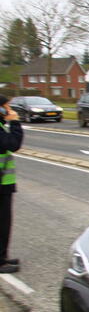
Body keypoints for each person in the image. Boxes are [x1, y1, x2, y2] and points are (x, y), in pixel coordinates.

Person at [0, 95, 23, 273]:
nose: (10, 110)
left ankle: (3, 257)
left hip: (3, 182)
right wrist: (15, 123)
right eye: (7, 107)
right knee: (2, 222)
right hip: (1, 184)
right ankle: (1, 262)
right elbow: (13, 144)